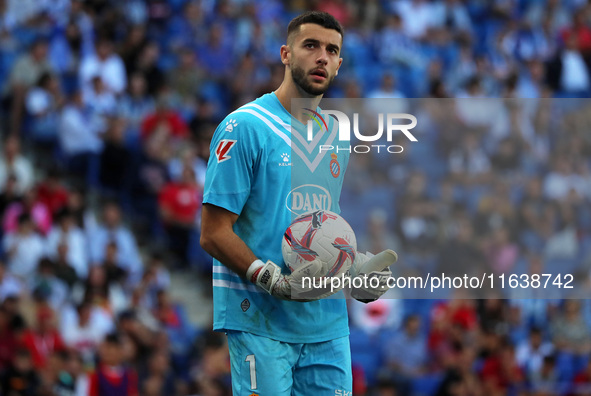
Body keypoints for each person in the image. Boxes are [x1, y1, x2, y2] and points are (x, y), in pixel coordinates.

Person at [200, 11, 397, 395]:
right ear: (286, 54)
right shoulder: (245, 127)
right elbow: (213, 233)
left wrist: (353, 268)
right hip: (260, 320)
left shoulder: (338, 134)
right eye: (311, 46)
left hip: (326, 323)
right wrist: (269, 278)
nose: (321, 57)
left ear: (340, 64)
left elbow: (320, 226)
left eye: (332, 50)